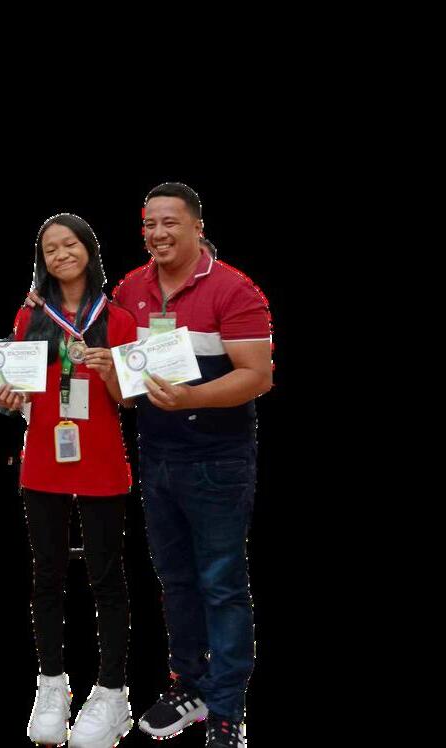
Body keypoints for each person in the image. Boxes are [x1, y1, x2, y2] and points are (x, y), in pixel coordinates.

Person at [26, 184, 272, 748]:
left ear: (196, 227)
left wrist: (192, 399)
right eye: (149, 225)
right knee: (175, 579)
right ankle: (188, 684)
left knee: (221, 583)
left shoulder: (234, 289)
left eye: (170, 223)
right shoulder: (131, 290)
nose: (158, 234)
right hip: (157, 454)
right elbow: (110, 358)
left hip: (218, 457)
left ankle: (227, 707)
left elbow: (257, 375)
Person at [0, 213, 138, 748]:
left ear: (89, 250)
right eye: (50, 249)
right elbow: (19, 389)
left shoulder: (118, 318)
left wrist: (109, 371)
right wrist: (6, 397)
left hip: (101, 461)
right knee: (47, 576)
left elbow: (130, 399)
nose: (61, 254)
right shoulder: (29, 316)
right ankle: (51, 686)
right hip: (43, 462)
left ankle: (112, 691)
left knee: (107, 577)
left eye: (70, 244)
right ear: (42, 260)